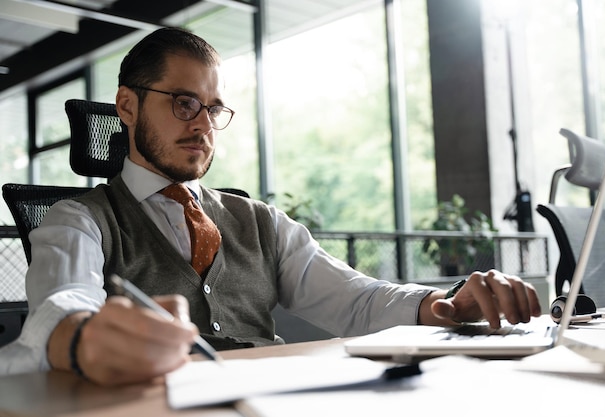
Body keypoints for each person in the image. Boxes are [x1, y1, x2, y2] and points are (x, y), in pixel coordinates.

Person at [0, 27, 541, 386]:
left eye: (213, 109)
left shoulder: (257, 220)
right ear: (126, 105)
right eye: (184, 102)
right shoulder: (80, 219)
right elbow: (61, 303)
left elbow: (355, 300)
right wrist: (83, 337)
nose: (203, 125)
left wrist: (444, 304)